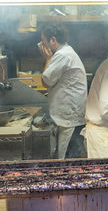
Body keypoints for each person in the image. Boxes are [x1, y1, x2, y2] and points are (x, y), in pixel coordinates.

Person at [38, 23, 87, 159]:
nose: (42, 45)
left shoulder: (63, 55)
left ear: (53, 40)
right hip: (70, 116)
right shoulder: (66, 51)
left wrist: (47, 58)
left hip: (70, 119)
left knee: (67, 161)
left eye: (43, 42)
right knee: (69, 158)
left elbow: (45, 81)